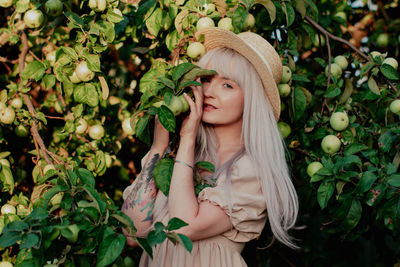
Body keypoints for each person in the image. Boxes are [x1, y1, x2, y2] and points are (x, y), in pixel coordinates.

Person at [121, 27, 299, 267]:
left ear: (252, 100)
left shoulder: (251, 171)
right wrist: (159, 146)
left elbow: (183, 227)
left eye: (228, 85)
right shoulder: (180, 156)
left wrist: (186, 137)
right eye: (206, 79)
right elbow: (132, 234)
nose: (209, 91)